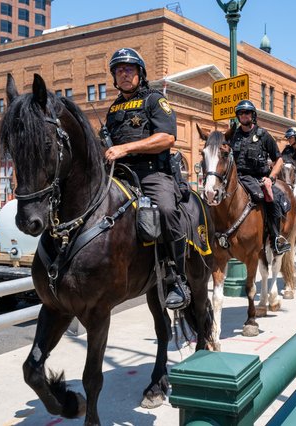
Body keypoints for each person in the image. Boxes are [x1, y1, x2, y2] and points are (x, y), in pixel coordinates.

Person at [104, 47, 188, 310]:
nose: (124, 74)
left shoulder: (154, 99)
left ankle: (177, 278)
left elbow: (167, 137)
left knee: (165, 209)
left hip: (151, 173)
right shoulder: (114, 108)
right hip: (120, 174)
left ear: (140, 73)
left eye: (129, 69)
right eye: (119, 70)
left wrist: (126, 148)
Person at [229, 99, 291, 255]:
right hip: (238, 178)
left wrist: (270, 178)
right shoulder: (233, 135)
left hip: (259, 178)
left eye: (247, 112)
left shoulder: (263, 135)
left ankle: (276, 238)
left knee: (273, 199)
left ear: (253, 115)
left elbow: (279, 160)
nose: (244, 115)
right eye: (241, 113)